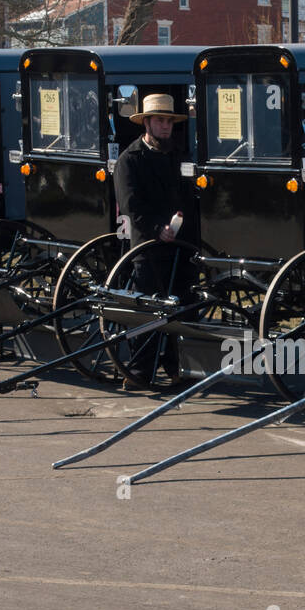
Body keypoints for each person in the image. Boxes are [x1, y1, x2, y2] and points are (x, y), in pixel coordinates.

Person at [112, 93, 195, 388]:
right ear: (146, 122)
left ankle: (176, 368)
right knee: (147, 309)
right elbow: (131, 205)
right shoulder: (129, 160)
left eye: (169, 121)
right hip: (145, 247)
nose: (165, 126)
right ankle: (140, 372)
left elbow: (186, 194)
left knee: (180, 306)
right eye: (160, 120)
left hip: (177, 246)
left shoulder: (177, 155)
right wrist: (157, 228)